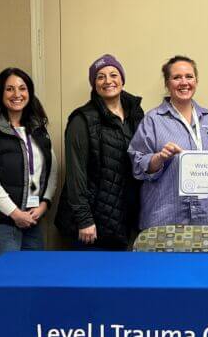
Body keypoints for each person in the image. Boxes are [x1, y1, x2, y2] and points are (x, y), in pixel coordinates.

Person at [0, 68, 56, 268]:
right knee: (2, 281)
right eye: (9, 89)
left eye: (22, 88)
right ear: (0, 93)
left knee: (33, 279)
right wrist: (15, 213)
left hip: (32, 221)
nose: (17, 94)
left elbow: (51, 171)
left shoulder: (38, 129)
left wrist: (44, 203)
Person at [55, 54, 144, 249]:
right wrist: (84, 219)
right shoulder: (82, 120)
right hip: (90, 225)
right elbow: (75, 173)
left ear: (122, 79)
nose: (108, 81)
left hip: (122, 219)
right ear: (94, 84)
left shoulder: (136, 114)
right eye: (100, 77)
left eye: (113, 74)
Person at [128, 56, 208, 229]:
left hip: (203, 218)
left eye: (189, 76)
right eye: (177, 77)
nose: (184, 82)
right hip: (164, 219)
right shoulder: (153, 120)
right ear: (167, 83)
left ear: (196, 81)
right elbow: (138, 165)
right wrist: (159, 158)